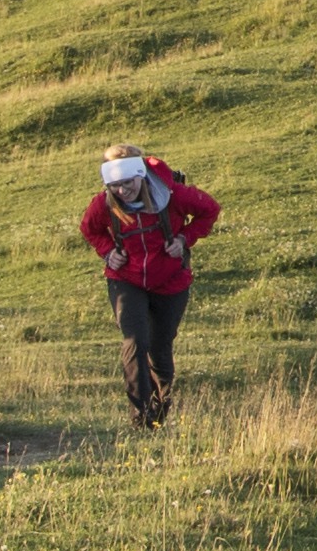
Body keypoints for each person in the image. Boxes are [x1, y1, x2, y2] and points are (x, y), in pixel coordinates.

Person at [81, 144, 219, 425]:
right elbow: (89, 229)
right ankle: (140, 417)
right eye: (115, 185)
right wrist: (108, 252)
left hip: (170, 281)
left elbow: (210, 210)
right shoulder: (104, 203)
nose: (122, 191)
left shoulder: (174, 195)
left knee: (159, 348)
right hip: (126, 280)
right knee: (135, 341)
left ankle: (160, 410)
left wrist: (184, 239)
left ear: (140, 175)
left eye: (127, 183)